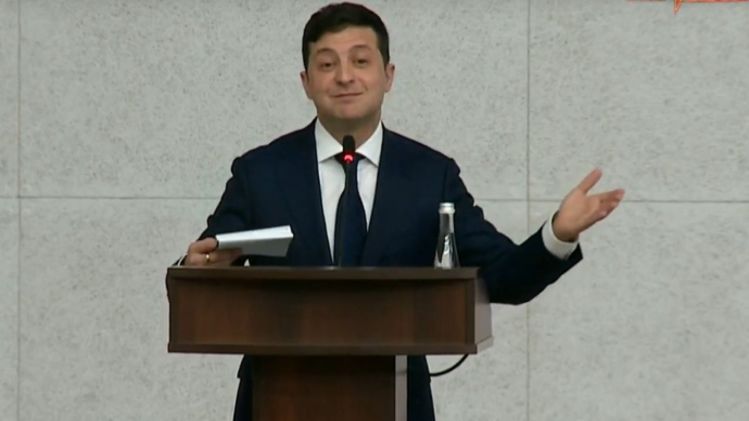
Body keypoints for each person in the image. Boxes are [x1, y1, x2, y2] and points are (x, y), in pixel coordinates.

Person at [179, 3, 625, 420]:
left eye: (360, 61)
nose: (344, 76)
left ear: (388, 75)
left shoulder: (430, 176)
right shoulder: (261, 171)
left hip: (398, 400)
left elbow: (503, 276)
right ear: (306, 82)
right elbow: (209, 260)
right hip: (278, 398)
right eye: (327, 64)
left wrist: (558, 234)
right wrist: (197, 268)